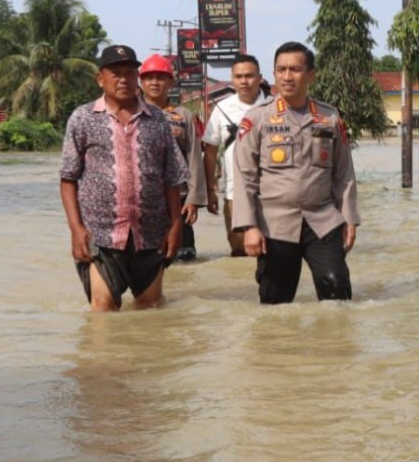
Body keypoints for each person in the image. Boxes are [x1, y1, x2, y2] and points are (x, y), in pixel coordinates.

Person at [59, 44, 190, 312]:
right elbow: (68, 178)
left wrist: (176, 226)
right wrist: (76, 229)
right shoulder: (83, 118)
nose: (123, 79)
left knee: (149, 308)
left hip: (151, 233)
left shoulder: (157, 120)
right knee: (103, 309)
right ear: (100, 79)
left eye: (130, 73)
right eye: (116, 73)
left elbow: (172, 178)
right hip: (101, 234)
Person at [230, 41, 359, 304]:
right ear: (274, 74)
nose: (287, 76)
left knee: (337, 292)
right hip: (274, 224)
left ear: (311, 75)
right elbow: (244, 177)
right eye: (281, 70)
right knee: (275, 304)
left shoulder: (329, 117)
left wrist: (349, 218)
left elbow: (344, 174)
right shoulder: (257, 119)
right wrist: (249, 227)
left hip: (322, 221)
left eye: (295, 69)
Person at [202, 53, 271, 256]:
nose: (244, 81)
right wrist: (210, 189)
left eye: (249, 76)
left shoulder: (275, 106)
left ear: (259, 78)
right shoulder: (222, 108)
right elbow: (210, 151)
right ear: (232, 79)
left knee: (275, 253)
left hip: (273, 195)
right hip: (234, 194)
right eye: (239, 76)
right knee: (241, 253)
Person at [138, 53, 205, 261]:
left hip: (179, 198)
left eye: (161, 78)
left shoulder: (183, 116)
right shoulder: (132, 114)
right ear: (141, 82)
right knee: (147, 258)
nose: (155, 83)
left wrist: (194, 199)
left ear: (171, 82)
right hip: (144, 199)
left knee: (184, 259)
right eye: (149, 78)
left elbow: (194, 157)